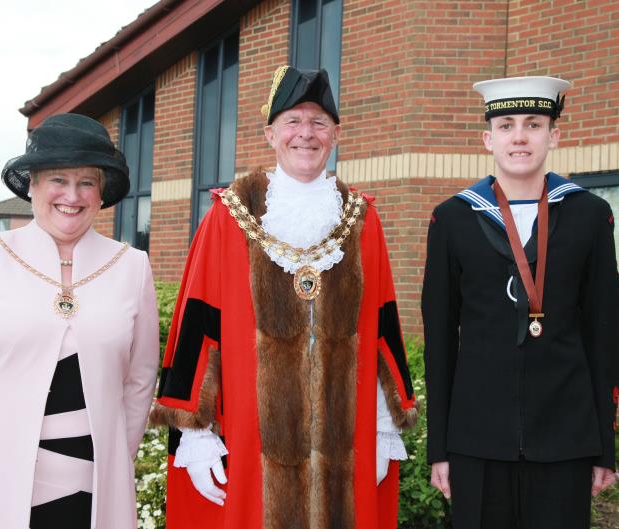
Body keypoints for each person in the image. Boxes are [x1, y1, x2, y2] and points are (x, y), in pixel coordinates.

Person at [149, 65, 417, 529]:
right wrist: (195, 435)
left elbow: (381, 326)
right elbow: (197, 326)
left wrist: (382, 428)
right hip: (252, 437)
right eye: (293, 121)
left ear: (335, 134)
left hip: (343, 436)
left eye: (318, 122)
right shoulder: (228, 215)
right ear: (270, 133)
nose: (305, 134)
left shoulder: (361, 219)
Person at [0, 113, 160, 529]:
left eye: (86, 182)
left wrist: (113, 458)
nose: (71, 196)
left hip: (92, 491)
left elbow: (141, 378)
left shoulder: (132, 266)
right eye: (58, 179)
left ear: (101, 192)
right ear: (33, 185)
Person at [422, 76, 619, 529]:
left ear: (554, 135)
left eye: (533, 123)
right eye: (507, 125)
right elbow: (440, 338)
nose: (520, 136)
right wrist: (440, 450)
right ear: (488, 139)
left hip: (566, 437)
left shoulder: (589, 215)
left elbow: (603, 333)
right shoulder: (452, 218)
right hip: (476, 441)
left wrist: (603, 447)